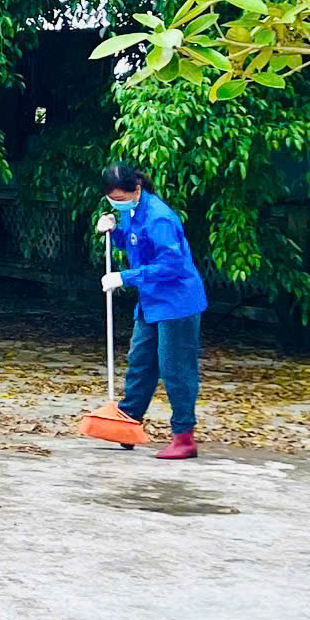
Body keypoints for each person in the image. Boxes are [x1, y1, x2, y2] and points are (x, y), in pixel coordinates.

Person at [101, 163, 208, 460]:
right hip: (151, 299)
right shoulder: (132, 210)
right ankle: (128, 422)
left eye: (121, 199)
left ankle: (184, 437)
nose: (117, 203)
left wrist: (125, 277)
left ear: (136, 189)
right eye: (112, 199)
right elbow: (135, 243)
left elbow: (171, 265)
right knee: (140, 361)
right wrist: (114, 231)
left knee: (176, 368)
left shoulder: (160, 217)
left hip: (177, 302)